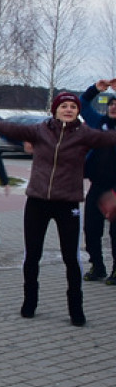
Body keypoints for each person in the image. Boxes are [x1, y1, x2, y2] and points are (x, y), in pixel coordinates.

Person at [0, 92, 116, 326]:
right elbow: (7, 127)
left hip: (67, 203)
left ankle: (76, 308)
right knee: (33, 255)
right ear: (55, 109)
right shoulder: (39, 130)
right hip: (38, 201)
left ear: (78, 112)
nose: (68, 109)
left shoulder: (85, 135)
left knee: (71, 258)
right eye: (64, 106)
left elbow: (111, 137)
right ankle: (30, 301)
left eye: (73, 107)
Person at [78, 81, 116, 283]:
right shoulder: (97, 122)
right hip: (97, 186)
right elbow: (82, 104)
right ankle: (97, 266)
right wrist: (96, 88)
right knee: (91, 228)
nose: (113, 106)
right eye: (111, 103)